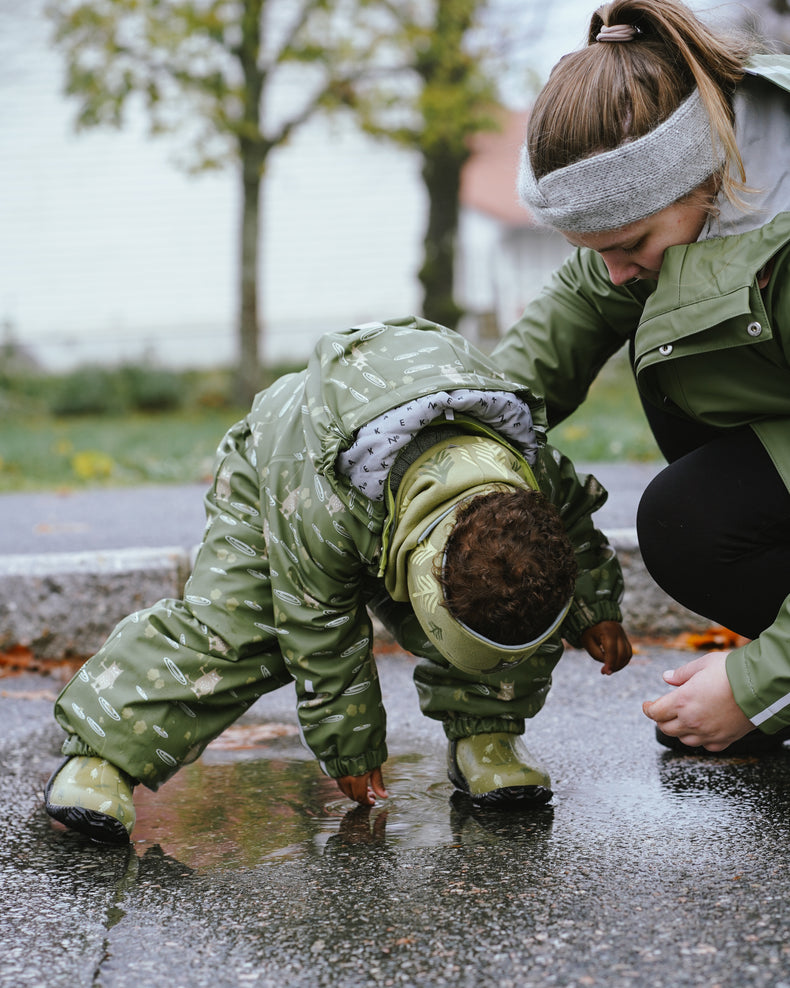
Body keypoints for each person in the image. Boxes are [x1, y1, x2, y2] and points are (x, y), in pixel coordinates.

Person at [44, 316, 632, 845]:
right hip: (286, 472)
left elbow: (573, 530)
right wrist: (351, 748)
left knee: (519, 602)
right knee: (245, 629)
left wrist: (594, 607)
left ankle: (488, 733)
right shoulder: (315, 512)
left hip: (399, 483)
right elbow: (317, 626)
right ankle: (103, 753)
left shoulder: (530, 474)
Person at [492, 0, 790, 756]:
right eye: (595, 251)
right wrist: (445, 438)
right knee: (693, 521)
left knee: (690, 514)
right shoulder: (684, 196)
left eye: (628, 245)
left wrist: (757, 684)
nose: (614, 271)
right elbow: (545, 347)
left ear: (697, 177)